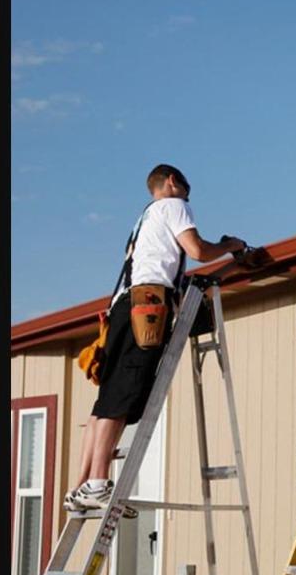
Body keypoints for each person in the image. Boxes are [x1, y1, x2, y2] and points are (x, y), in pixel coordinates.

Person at [65, 164, 247, 514]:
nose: (189, 198)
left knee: (106, 402)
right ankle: (99, 484)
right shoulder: (173, 205)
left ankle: (80, 488)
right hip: (146, 308)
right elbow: (196, 250)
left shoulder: (144, 220)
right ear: (172, 182)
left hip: (124, 307)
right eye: (187, 189)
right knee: (122, 398)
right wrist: (229, 246)